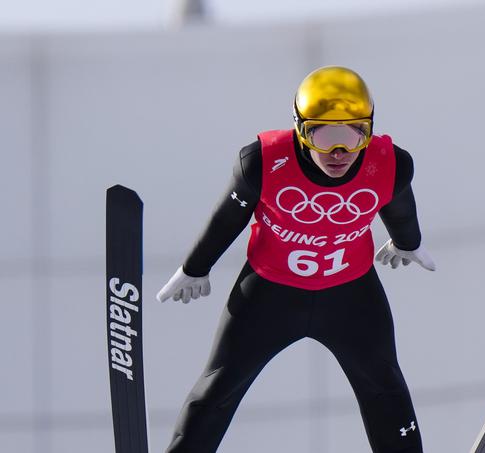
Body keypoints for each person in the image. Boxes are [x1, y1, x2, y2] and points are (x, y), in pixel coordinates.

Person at [157, 65, 436, 453]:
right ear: (299, 129)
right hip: (268, 294)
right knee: (217, 389)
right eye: (321, 136)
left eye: (354, 134)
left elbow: (400, 209)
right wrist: (194, 267)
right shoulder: (261, 162)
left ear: (369, 128)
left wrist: (408, 242)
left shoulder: (391, 163)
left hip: (351, 295)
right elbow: (228, 218)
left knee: (385, 389)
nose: (338, 153)